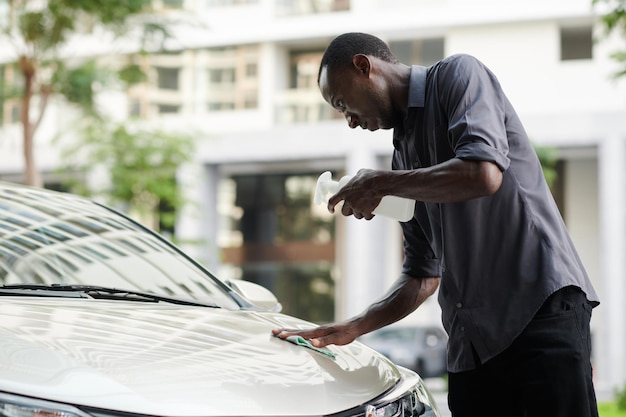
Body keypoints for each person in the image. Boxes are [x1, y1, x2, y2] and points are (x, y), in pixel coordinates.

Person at [272, 32, 600, 417]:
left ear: (364, 67)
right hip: (471, 348)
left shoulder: (458, 75)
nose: (350, 122)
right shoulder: (402, 156)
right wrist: (353, 327)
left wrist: (380, 183)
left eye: (343, 104)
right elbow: (422, 275)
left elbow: (483, 173)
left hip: (537, 314)